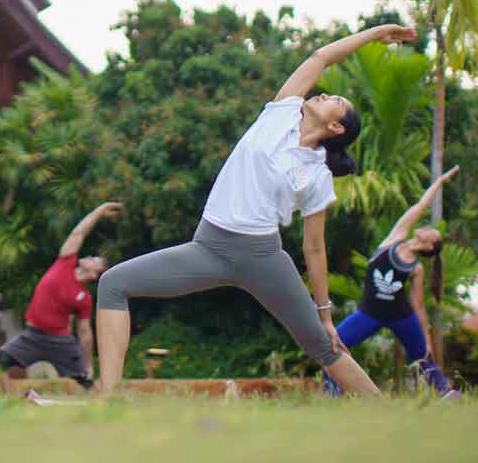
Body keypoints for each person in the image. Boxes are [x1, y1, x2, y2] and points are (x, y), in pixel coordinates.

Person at [95, 23, 420, 396]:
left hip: (262, 257)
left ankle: (387, 412)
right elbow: (322, 57)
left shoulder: (318, 176)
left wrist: (326, 315)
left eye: (336, 102)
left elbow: (314, 248)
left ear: (335, 127)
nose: (326, 93)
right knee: (113, 284)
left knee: (322, 345)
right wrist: (374, 34)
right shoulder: (281, 113)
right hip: (208, 248)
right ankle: (107, 401)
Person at [324, 166, 460, 397]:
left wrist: (426, 338)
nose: (429, 229)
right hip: (369, 313)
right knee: (332, 344)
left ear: (429, 246)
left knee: (422, 356)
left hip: (401, 316)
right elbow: (419, 207)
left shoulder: (416, 269)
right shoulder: (395, 238)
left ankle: (446, 394)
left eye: (433, 234)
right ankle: (332, 394)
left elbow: (418, 306)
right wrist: (440, 182)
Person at [0, 202, 123, 392]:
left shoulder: (84, 298)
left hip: (60, 342)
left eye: (95, 260)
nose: (90, 257)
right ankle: (10, 400)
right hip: (32, 336)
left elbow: (85, 333)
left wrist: (88, 365)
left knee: (86, 383)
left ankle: (102, 407)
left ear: (95, 275)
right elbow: (79, 234)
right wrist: (98, 211)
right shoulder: (65, 262)